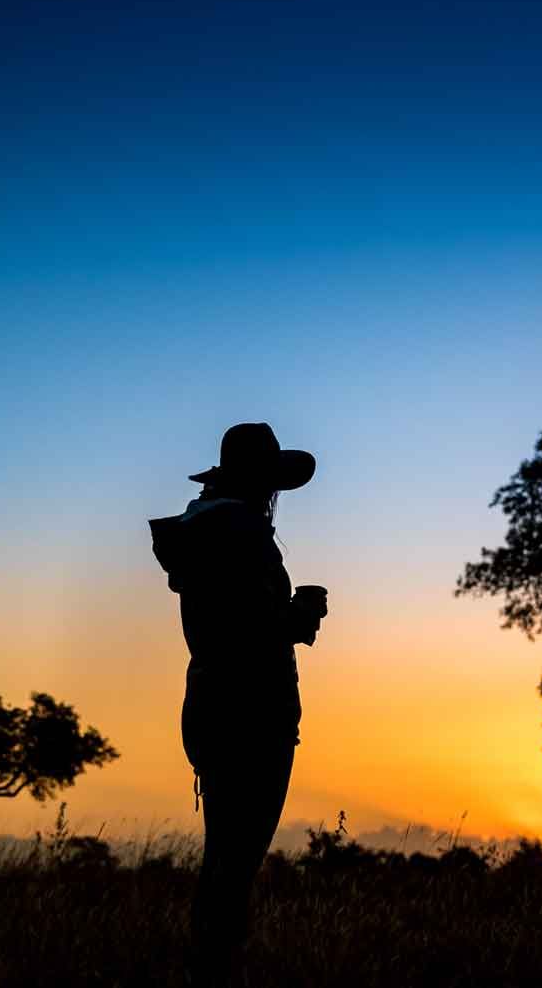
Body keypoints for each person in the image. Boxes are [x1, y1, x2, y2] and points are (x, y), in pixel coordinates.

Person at [149, 422, 328, 984]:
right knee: (238, 859)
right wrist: (303, 614)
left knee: (223, 853)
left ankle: (209, 964)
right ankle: (217, 968)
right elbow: (255, 624)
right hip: (254, 708)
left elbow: (228, 618)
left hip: (209, 701)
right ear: (261, 482)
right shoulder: (242, 529)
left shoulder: (203, 527)